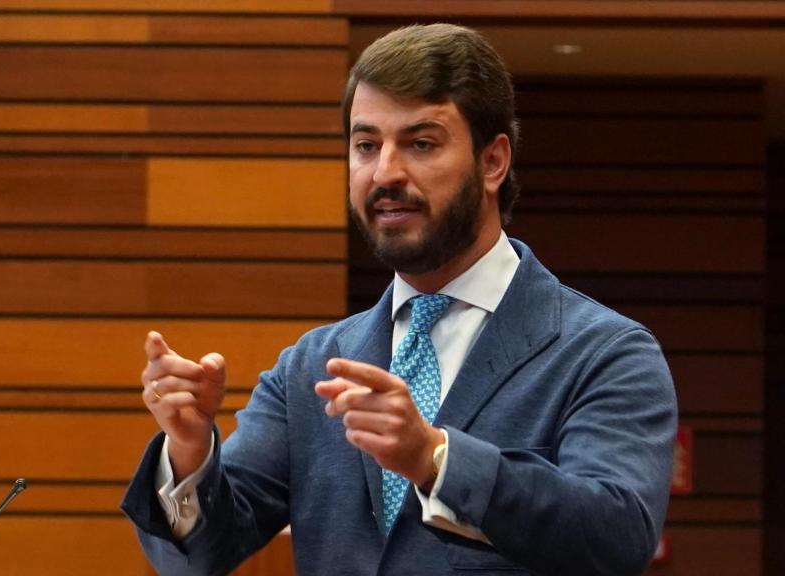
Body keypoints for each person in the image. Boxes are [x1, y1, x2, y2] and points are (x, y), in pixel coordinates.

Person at [122, 23, 677, 576]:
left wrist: (436, 459)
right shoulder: (310, 366)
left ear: (493, 162)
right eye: (366, 145)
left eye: (420, 143)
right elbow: (198, 556)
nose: (385, 172)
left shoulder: (604, 353)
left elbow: (617, 537)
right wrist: (190, 451)